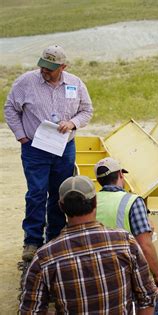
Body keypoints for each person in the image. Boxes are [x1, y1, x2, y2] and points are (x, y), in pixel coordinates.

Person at [4, 45, 93, 262]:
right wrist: (21, 135)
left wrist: (72, 123)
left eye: (51, 68)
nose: (45, 70)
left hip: (64, 148)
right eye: (43, 66)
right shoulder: (26, 82)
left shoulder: (75, 83)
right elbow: (10, 109)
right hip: (35, 148)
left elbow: (87, 110)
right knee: (36, 192)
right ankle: (32, 241)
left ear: (63, 66)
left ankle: (54, 238)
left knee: (59, 193)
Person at [19, 175, 158, 314]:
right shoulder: (125, 242)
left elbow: (31, 311)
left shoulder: (45, 258)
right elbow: (148, 298)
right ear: (95, 201)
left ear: (61, 206)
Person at [94, 157, 158, 315]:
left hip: (97, 272)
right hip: (126, 273)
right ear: (120, 174)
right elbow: (145, 245)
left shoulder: (91, 201)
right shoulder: (132, 201)